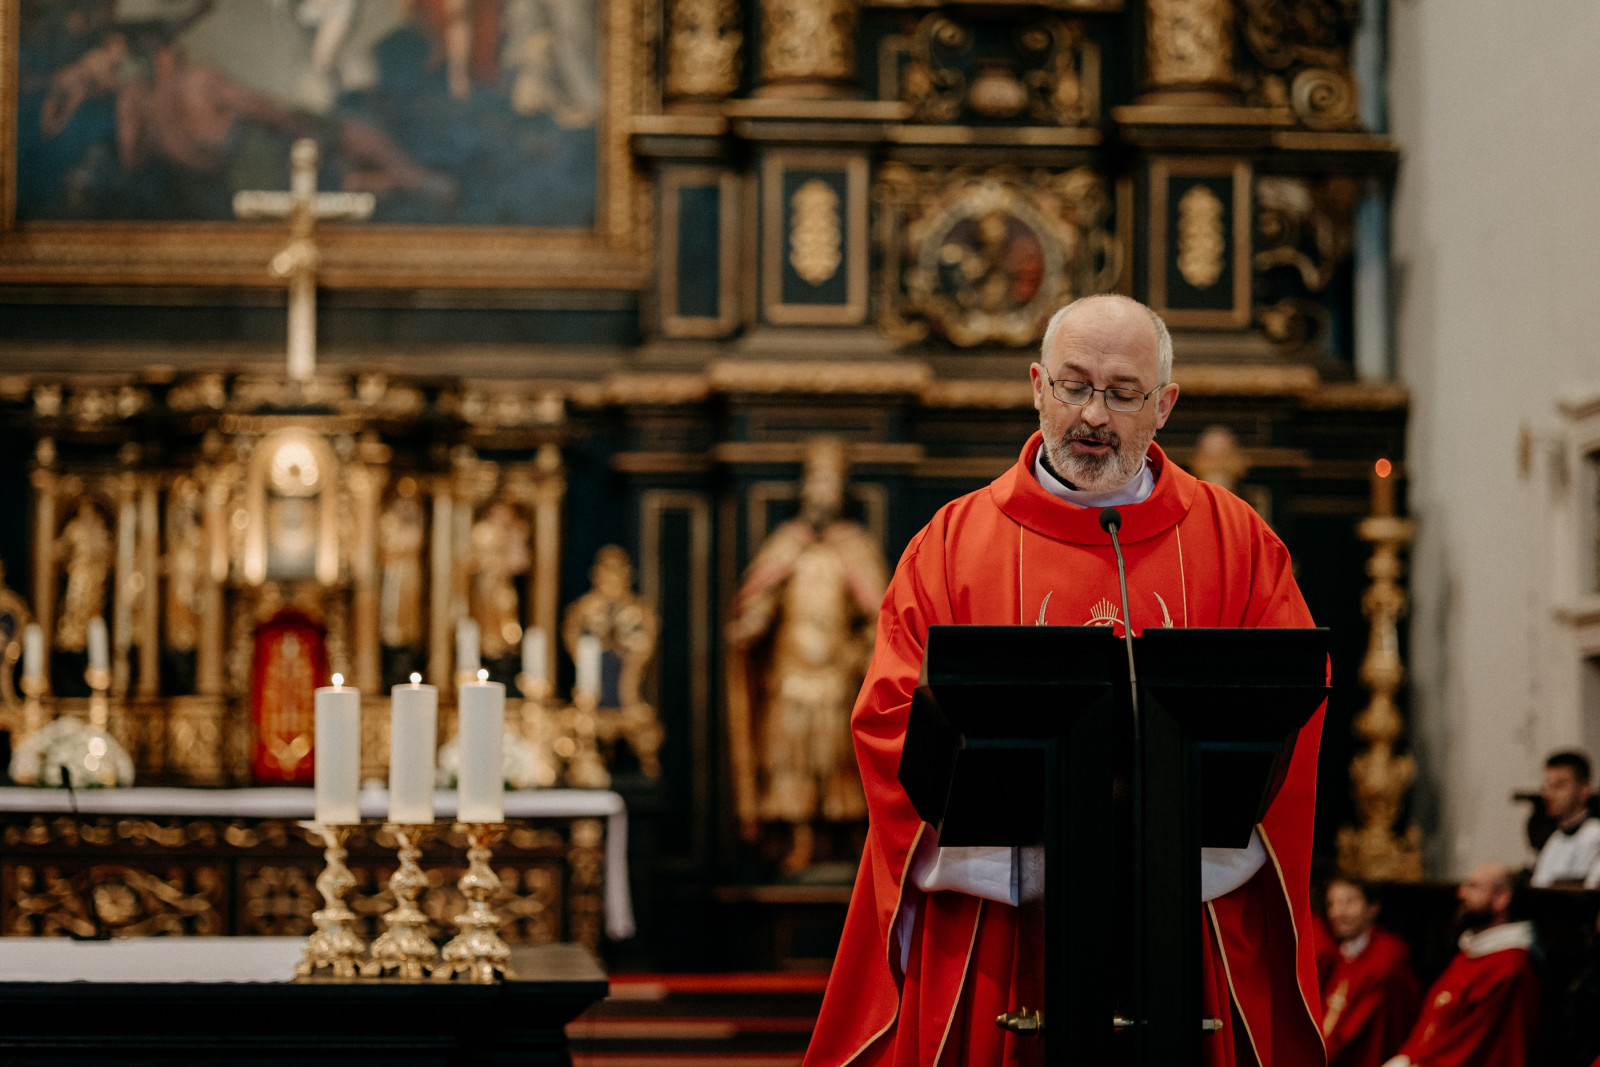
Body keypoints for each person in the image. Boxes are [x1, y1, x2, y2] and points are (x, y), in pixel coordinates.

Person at [803, 294, 1326, 1067]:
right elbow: (888, 715)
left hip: (1184, 918)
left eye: (1122, 393)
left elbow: (1292, 710)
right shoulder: (951, 545)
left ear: (1164, 405)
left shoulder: (1238, 543)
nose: (1093, 415)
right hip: (1000, 923)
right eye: (1075, 385)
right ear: (1037, 386)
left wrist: (1175, 855)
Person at [726, 438, 889, 874]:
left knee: (836, 761)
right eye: (815, 484)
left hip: (836, 675)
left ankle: (844, 841)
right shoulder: (786, 545)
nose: (821, 494)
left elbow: (877, 613)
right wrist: (752, 623)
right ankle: (797, 841)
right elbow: (764, 597)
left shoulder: (855, 547)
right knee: (788, 761)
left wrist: (863, 650)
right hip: (789, 672)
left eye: (829, 485)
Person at [1382, 863, 1540, 1067]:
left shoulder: (1511, 968)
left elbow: (1480, 1047)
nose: (1460, 893)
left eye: (1473, 887)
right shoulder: (1470, 953)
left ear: (1502, 898)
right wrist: (1406, 1057)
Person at [1321, 878, 1422, 1067]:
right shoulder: (1342, 956)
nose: (1336, 913)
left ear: (1373, 907)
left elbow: (1356, 1033)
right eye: (1331, 904)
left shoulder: (1386, 960)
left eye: (1348, 902)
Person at [1529, 750, 1600, 888]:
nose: (1549, 794)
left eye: (1559, 785)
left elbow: (1590, 892)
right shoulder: (1555, 839)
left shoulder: (1595, 835)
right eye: (1547, 786)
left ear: (1584, 788)